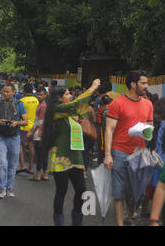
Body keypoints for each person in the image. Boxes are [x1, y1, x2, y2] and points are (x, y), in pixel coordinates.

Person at [41, 79, 101, 226]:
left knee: (82, 190)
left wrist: (77, 118)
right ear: (59, 98)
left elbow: (82, 111)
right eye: (68, 94)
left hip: (76, 157)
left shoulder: (69, 113)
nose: (71, 96)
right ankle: (59, 221)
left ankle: (77, 221)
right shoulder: (57, 110)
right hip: (61, 157)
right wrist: (92, 87)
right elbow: (75, 105)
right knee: (61, 192)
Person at [104, 70, 153, 226]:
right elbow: (109, 129)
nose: (146, 86)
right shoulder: (117, 103)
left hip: (139, 153)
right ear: (133, 84)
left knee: (135, 191)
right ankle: (120, 222)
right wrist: (107, 155)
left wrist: (145, 130)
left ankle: (129, 214)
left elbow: (150, 127)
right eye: (143, 83)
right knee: (119, 191)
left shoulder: (148, 104)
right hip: (119, 152)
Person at [0, 84, 28, 199]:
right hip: (1, 137)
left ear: (14, 92)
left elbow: (25, 121)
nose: (5, 94)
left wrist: (17, 123)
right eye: (4, 92)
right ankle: (1, 188)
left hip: (14, 137)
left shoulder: (19, 104)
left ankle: (9, 188)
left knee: (12, 165)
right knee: (2, 163)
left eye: (8, 92)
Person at [27, 87, 48, 181]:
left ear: (45, 95)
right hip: (42, 133)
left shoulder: (43, 106)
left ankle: (39, 174)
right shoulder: (42, 105)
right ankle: (44, 173)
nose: (39, 96)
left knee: (40, 155)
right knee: (43, 154)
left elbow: (40, 122)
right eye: (38, 94)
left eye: (41, 94)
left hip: (40, 134)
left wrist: (32, 131)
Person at [18, 84, 39, 175]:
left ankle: (22, 166)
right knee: (31, 146)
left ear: (24, 91)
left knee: (20, 146)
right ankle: (31, 167)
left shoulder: (21, 101)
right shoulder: (37, 100)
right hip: (33, 127)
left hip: (23, 126)